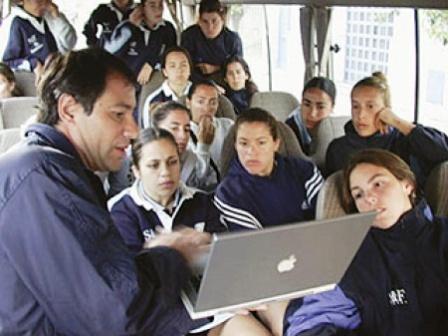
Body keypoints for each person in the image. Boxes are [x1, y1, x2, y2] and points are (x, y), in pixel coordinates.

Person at [0, 47, 214, 335]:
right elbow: (116, 315)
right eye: (118, 114)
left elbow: (98, 284)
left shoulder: (58, 171)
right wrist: (173, 255)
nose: (134, 130)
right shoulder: (43, 181)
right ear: (69, 110)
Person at [284, 148, 448, 336]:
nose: (369, 198)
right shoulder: (350, 257)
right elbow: (312, 321)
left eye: (378, 184)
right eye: (358, 195)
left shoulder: (443, 238)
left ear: (407, 185)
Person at [325, 72, 448, 184]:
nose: (361, 115)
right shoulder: (337, 149)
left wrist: (398, 122)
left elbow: (443, 151)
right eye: (355, 106)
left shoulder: (404, 141)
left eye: (370, 106)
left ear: (386, 109)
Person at [214, 108, 324, 231]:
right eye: (244, 144)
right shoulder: (228, 193)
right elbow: (257, 243)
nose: (251, 152)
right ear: (235, 146)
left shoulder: (304, 172)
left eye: (261, 143)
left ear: (276, 144)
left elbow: (329, 218)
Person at [104, 0, 176, 86]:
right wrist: (131, 27)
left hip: (153, 84)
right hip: (126, 83)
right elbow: (109, 53)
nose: (158, 10)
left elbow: (173, 55)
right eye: (152, 5)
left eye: (161, 5)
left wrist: (152, 63)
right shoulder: (126, 27)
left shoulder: (167, 29)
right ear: (142, 8)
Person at [152, 101, 218, 191]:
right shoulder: (139, 160)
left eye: (186, 129)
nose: (183, 136)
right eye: (174, 128)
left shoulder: (192, 160)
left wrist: (204, 148)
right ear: (156, 130)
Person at [0, 0, 76, 75]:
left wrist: (57, 18)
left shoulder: (51, 16)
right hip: (33, 80)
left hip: (59, 72)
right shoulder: (14, 24)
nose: (43, 4)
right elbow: (7, 63)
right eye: (38, 0)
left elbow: (70, 43)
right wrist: (33, 64)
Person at [181, 0, 243, 82]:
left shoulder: (233, 40)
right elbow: (182, 65)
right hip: (194, 82)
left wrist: (216, 68)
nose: (210, 27)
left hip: (225, 82)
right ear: (199, 21)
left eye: (214, 21)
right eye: (205, 22)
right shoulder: (189, 36)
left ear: (222, 20)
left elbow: (238, 69)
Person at [186, 79, 234, 170]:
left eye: (213, 102)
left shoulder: (228, 126)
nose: (207, 108)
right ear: (188, 103)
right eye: (201, 102)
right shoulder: (182, 133)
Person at [142, 46, 193, 128]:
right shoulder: (154, 99)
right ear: (165, 71)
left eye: (183, 65)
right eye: (172, 66)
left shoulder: (200, 94)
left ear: (190, 70)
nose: (179, 70)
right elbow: (149, 132)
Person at [285, 77, 336, 155]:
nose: (312, 113)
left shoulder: (334, 129)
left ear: (332, 107)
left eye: (320, 107)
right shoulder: (289, 130)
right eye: (307, 104)